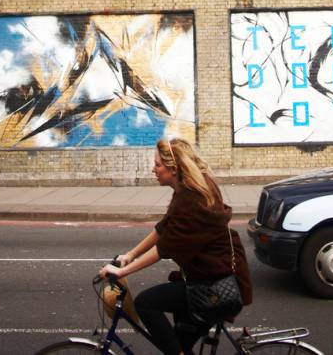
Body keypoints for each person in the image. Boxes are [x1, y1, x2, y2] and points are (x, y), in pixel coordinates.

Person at [99, 138, 253, 355]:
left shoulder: (192, 198)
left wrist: (123, 271)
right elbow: (164, 227)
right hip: (205, 276)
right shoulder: (187, 190)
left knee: (146, 303)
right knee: (179, 343)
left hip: (211, 284)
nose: (153, 169)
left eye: (157, 165)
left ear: (173, 168)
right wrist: (130, 255)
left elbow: (165, 247)